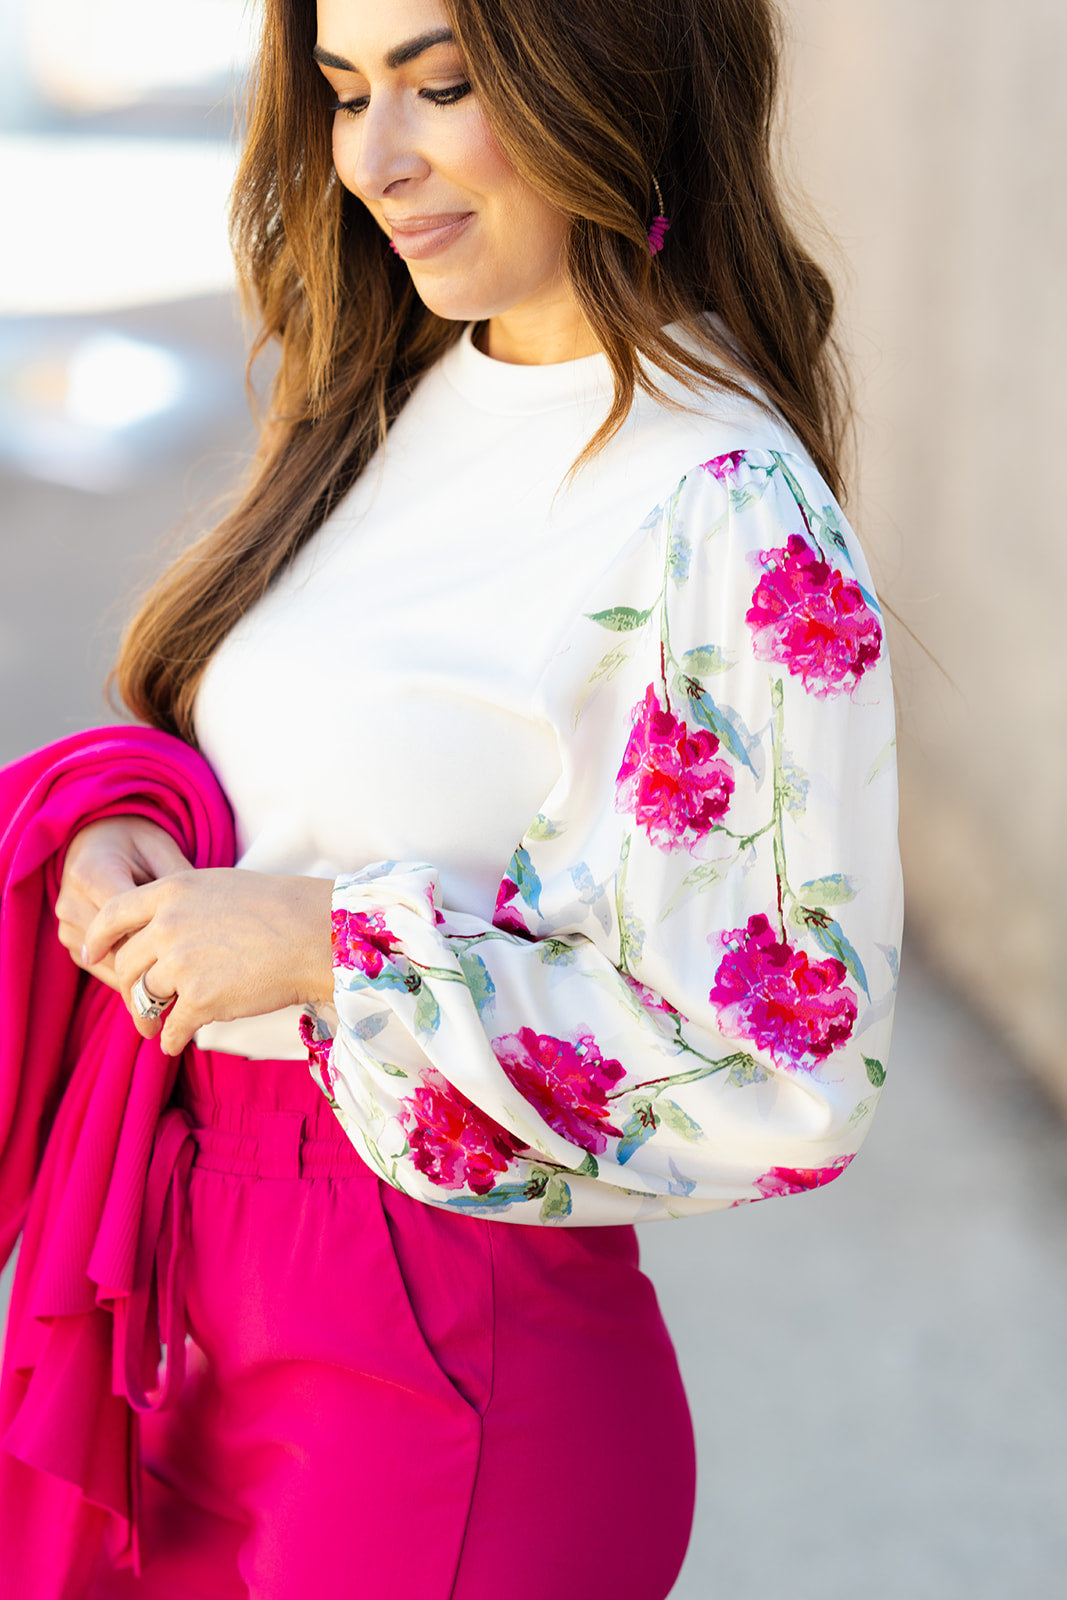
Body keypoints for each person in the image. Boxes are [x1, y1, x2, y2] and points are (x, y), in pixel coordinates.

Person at [36, 0, 903, 1594]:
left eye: (439, 86)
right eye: (345, 92)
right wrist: (132, 827)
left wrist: (328, 948)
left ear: (605, 70)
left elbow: (788, 1074)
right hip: (207, 1296)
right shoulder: (400, 389)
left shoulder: (717, 500)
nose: (373, 159)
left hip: (439, 1363)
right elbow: (289, 759)